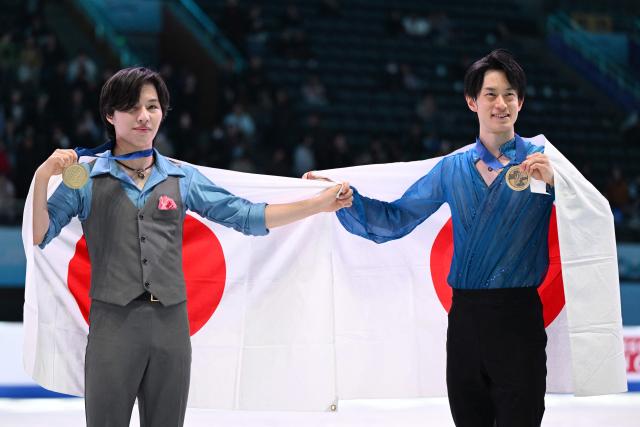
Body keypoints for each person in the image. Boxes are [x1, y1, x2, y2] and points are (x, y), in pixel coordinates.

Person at [31, 67, 353, 427]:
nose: (144, 117)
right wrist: (45, 175)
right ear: (110, 115)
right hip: (112, 327)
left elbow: (245, 215)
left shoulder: (183, 178)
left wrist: (318, 204)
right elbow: (41, 234)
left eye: (152, 107)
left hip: (171, 327)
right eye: (132, 107)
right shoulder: (84, 177)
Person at [307, 49, 555, 426]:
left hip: (518, 317)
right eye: (490, 93)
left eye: (509, 94)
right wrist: (344, 197)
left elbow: (588, 217)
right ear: (472, 101)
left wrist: (559, 185)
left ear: (521, 102)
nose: (500, 103)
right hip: (465, 322)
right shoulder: (451, 169)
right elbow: (396, 218)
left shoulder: (544, 163)